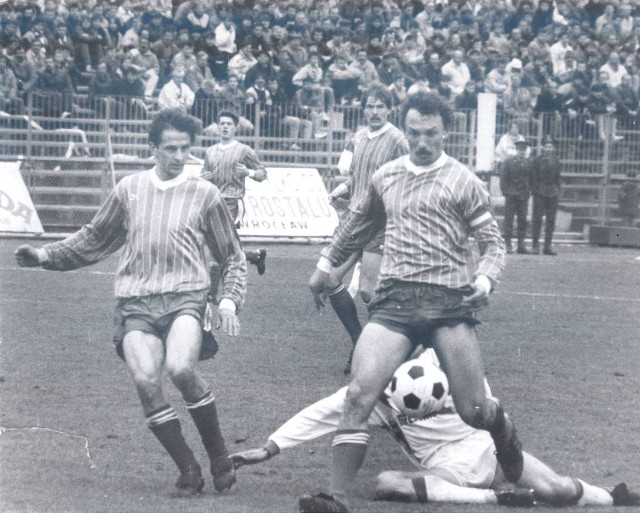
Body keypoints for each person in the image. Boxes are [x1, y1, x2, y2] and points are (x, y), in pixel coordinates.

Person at [305, 92, 520, 513]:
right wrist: (325, 264)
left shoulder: (464, 181)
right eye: (415, 133)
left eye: (432, 134)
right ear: (405, 131)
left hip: (448, 303)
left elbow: (494, 244)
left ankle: (501, 426)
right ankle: (335, 496)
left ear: (446, 132)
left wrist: (485, 279)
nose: (423, 142)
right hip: (395, 301)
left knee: (473, 410)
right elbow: (356, 223)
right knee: (359, 394)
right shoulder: (386, 176)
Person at [14, 108, 246, 497]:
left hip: (185, 297)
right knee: (145, 380)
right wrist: (45, 256)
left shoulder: (205, 194)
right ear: (153, 147)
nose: (177, 156)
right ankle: (188, 468)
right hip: (135, 302)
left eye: (185, 149)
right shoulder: (129, 189)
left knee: (182, 369)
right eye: (170, 148)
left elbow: (233, 255)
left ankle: (220, 455)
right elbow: (94, 238)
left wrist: (228, 302)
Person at [229, 349, 640, 508]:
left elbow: (484, 409)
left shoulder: (454, 371)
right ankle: (497, 500)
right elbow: (320, 413)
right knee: (388, 482)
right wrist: (270, 448)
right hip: (446, 468)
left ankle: (616, 496)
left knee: (560, 491)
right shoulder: (377, 389)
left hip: (488, 454)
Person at [325, 84, 409, 374]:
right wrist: (343, 189)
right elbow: (360, 177)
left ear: (389, 109)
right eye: (370, 106)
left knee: (367, 291)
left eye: (380, 106)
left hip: (380, 222)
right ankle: (360, 341)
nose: (374, 111)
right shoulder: (358, 137)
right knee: (328, 280)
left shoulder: (397, 139)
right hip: (354, 220)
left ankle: (396, 346)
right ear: (363, 109)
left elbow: (406, 177)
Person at [200, 110, 268, 282]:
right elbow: (204, 175)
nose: (225, 127)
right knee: (221, 247)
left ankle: (214, 292)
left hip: (232, 201)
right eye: (222, 123)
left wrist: (249, 172)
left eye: (228, 124)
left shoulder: (243, 150)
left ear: (236, 128)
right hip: (213, 202)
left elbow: (262, 173)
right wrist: (204, 178)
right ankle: (254, 256)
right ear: (217, 127)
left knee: (219, 245)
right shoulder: (210, 151)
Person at [530, 136, 562, 255]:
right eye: (546, 146)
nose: (548, 148)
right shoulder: (537, 160)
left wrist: (558, 190)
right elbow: (532, 177)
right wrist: (534, 191)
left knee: (551, 220)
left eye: (550, 146)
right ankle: (535, 245)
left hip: (552, 192)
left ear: (553, 148)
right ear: (542, 147)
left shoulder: (556, 160)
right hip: (540, 192)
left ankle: (547, 246)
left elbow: (558, 177)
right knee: (537, 219)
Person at [500, 139, 532, 254]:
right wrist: (506, 192)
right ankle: (508, 244)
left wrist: (529, 193)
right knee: (509, 219)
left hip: (524, 195)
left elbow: (532, 180)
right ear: (516, 150)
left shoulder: (529, 163)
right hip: (511, 194)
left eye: (524, 150)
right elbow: (503, 178)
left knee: (522, 219)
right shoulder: (509, 162)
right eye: (520, 150)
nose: (522, 152)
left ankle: (521, 244)